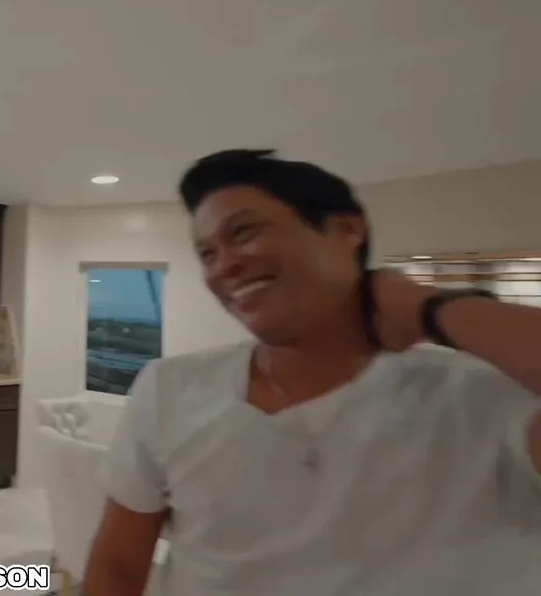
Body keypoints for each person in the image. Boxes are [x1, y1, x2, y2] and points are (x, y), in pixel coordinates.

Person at [83, 149, 541, 596]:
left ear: (346, 230)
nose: (224, 266)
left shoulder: (485, 394)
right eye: (207, 254)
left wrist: (424, 307)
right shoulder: (171, 387)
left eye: (243, 232)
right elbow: (117, 565)